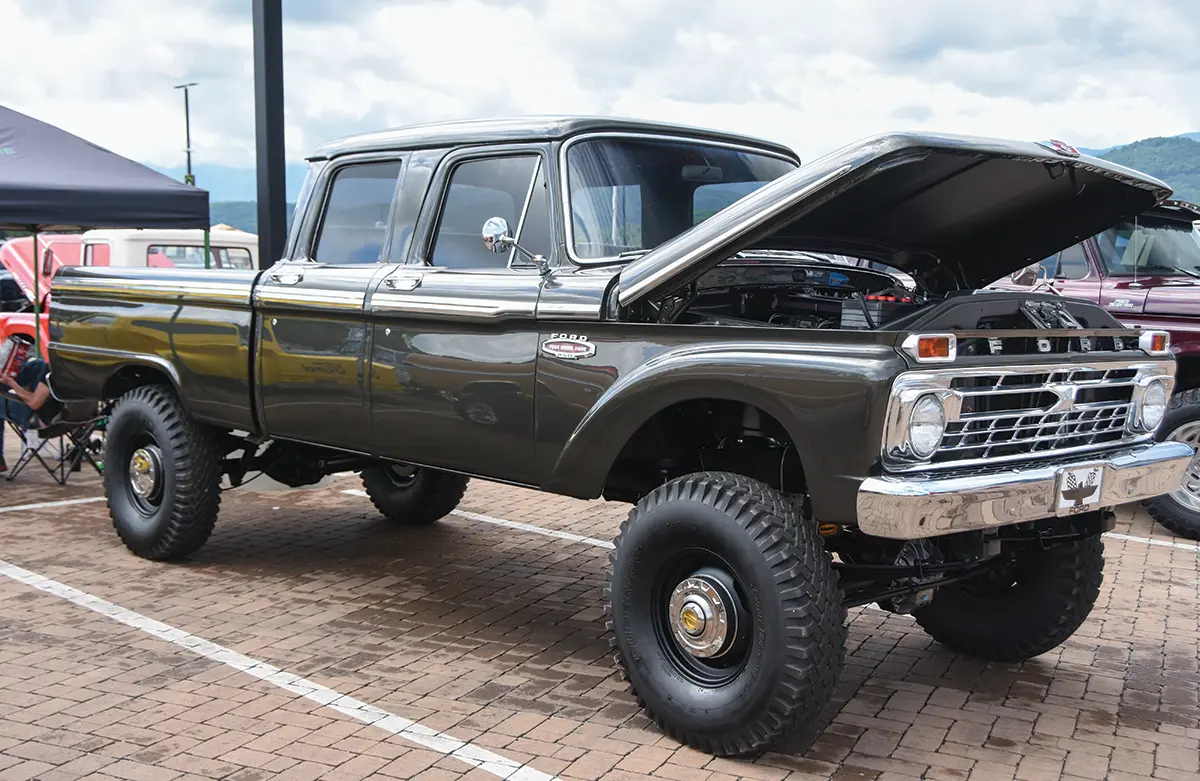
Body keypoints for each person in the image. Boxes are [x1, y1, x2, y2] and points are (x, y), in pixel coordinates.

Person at [0, 357, 63, 473]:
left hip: (45, 420)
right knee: (37, 364)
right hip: (75, 417)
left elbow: (34, 403)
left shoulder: (53, 368)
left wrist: (12, 384)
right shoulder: (81, 367)